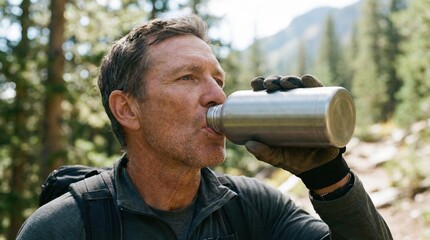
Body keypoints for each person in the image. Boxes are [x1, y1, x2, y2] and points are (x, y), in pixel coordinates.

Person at [17, 15, 392, 239]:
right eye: (187, 78)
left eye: (219, 80)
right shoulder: (64, 227)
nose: (217, 96)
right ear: (127, 109)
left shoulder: (253, 208)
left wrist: (327, 174)